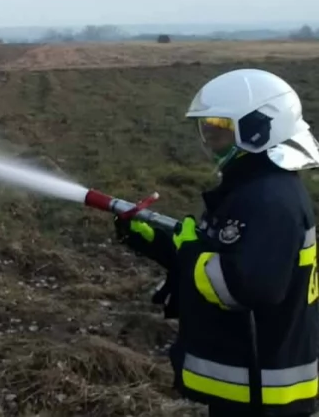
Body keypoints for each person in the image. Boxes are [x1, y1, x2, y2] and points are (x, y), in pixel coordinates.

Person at [115, 68, 319, 417]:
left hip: (263, 393)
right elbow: (224, 256)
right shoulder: (252, 189)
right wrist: (158, 242)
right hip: (249, 384)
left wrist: (189, 249)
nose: (209, 136)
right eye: (206, 126)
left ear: (259, 129)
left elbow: (245, 287)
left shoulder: (271, 201)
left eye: (220, 127)